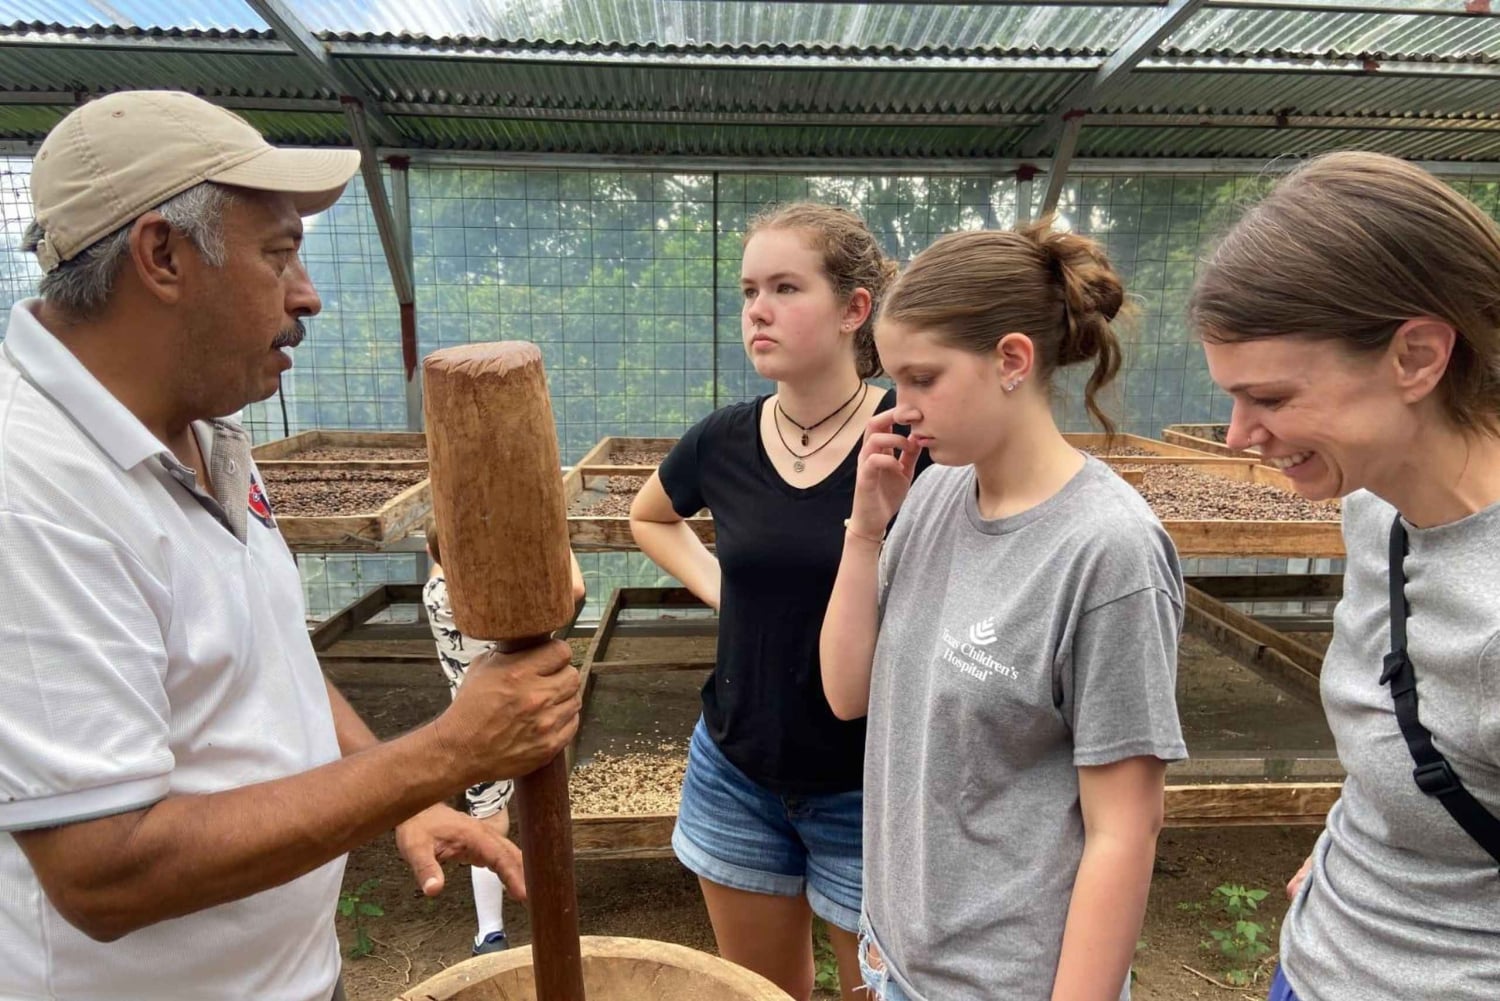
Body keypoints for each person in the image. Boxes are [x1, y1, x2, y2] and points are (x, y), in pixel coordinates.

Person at [0, 90, 581, 1001]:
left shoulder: (205, 429)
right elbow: (105, 870)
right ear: (162, 255)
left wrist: (402, 795)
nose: (306, 294)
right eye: (278, 254)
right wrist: (446, 753)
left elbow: (271, 661)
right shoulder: (30, 491)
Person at [821, 222, 1187, 1001]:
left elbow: (1126, 829)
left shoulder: (1107, 551)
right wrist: (865, 528)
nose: (901, 408)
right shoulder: (937, 491)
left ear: (1012, 360)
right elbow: (847, 693)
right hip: (898, 958)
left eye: (923, 378)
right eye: (895, 381)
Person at [1188, 151, 1500, 1001]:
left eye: (1272, 399)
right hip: (1320, 953)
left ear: (1417, 356)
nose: (1237, 435)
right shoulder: (1376, 509)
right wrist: (1345, 847)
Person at [629, 202, 923, 1001]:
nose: (757, 309)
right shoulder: (723, 439)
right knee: (760, 996)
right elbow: (649, 516)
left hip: (869, 788)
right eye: (751, 289)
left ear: (853, 310)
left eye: (786, 287)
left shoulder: (912, 441)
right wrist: (727, 591)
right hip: (737, 774)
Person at [422, 517, 587, 955]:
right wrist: (556, 536)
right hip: (519, 718)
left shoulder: (435, 592)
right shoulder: (489, 602)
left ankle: (490, 932)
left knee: (488, 820)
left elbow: (439, 553)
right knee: (536, 815)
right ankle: (548, 912)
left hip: (470, 721)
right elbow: (574, 593)